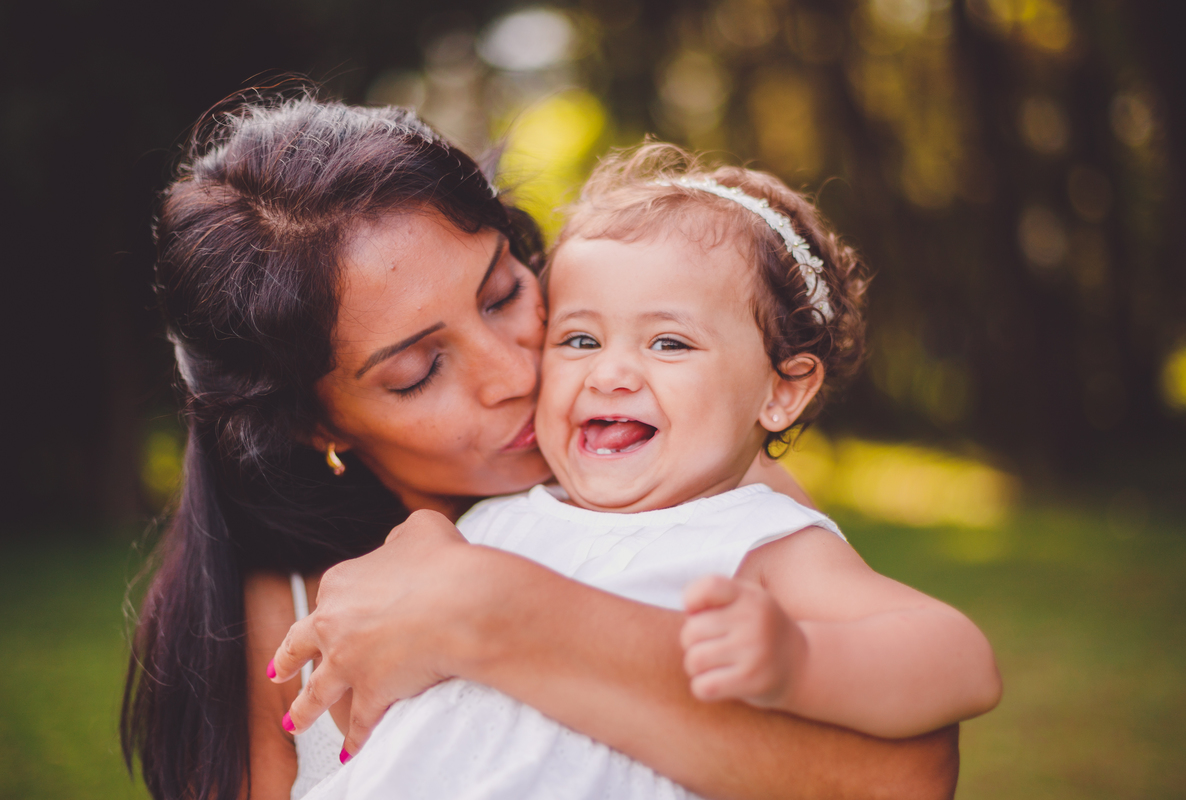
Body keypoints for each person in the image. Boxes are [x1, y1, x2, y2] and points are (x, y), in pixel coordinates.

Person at [123, 93, 961, 800]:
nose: (514, 369)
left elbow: (910, 772)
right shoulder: (280, 618)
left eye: (502, 291)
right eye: (418, 371)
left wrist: (487, 608)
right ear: (320, 424)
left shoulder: (701, 507)